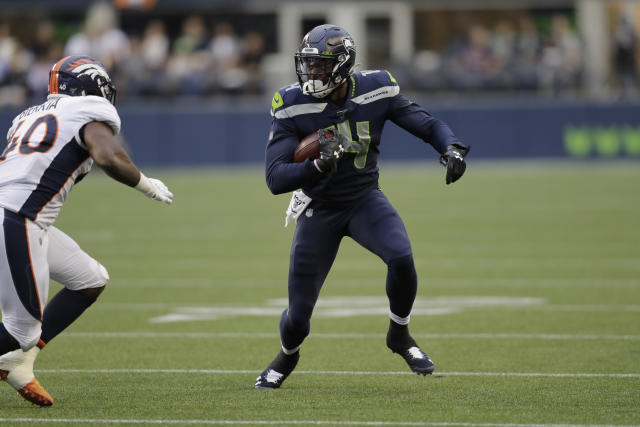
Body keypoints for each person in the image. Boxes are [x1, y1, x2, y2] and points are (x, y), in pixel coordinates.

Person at [256, 25, 469, 389]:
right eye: (308, 65)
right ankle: (287, 356)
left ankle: (399, 334)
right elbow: (275, 177)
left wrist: (451, 147)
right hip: (318, 208)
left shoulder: (376, 88)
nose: (311, 74)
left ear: (342, 66)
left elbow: (425, 123)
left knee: (401, 258)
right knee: (299, 317)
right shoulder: (292, 103)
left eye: (320, 66)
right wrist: (317, 166)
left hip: (363, 199)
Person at [0, 55, 173, 406]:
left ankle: (18, 360)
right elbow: (108, 156)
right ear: (90, 85)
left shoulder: (27, 116)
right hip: (16, 218)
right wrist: (145, 184)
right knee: (21, 330)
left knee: (89, 278)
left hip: (24, 217)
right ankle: (15, 350)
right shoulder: (87, 111)